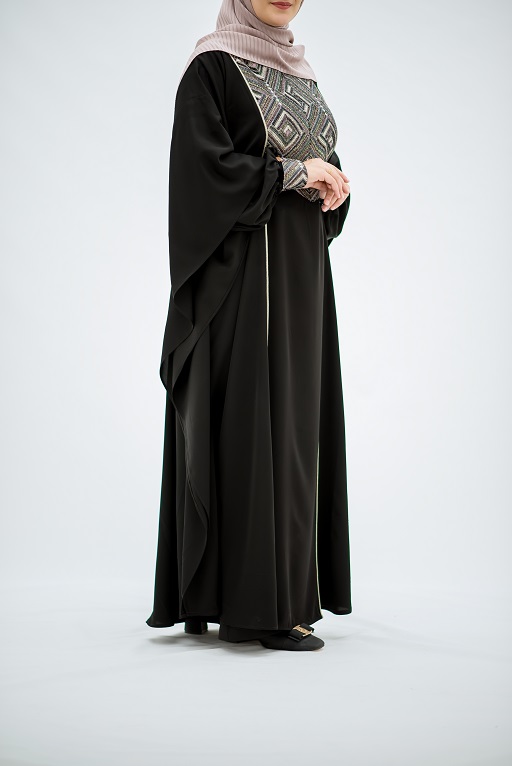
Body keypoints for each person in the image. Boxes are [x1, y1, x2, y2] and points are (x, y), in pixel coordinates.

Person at [146, 0, 352, 652]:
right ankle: (260, 607)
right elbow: (202, 172)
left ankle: (267, 594)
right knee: (254, 425)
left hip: (301, 279)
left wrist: (331, 186)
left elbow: (317, 164)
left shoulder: (302, 72)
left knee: (294, 431)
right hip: (243, 283)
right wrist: (294, 173)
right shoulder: (211, 68)